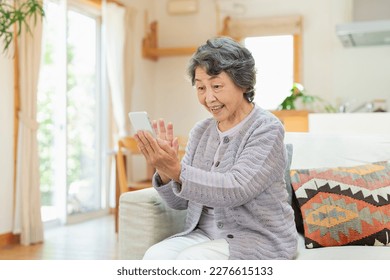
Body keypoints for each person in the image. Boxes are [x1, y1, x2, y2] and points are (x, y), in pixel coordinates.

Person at [134, 36, 298, 260]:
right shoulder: (200, 131)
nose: (208, 98)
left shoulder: (267, 128)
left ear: (244, 83)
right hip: (204, 235)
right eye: (201, 87)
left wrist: (177, 170)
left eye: (217, 86)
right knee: (155, 257)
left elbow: (236, 188)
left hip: (255, 239)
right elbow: (180, 202)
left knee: (191, 261)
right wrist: (164, 170)